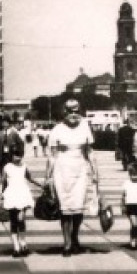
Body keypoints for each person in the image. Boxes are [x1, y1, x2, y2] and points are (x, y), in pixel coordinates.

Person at [44, 99, 100, 256]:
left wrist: (96, 172)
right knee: (65, 208)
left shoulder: (84, 128)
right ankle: (67, 242)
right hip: (62, 171)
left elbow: (89, 152)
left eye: (76, 110)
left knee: (78, 208)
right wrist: (47, 177)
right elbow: (52, 156)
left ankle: (75, 235)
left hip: (81, 170)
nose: (73, 114)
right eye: (70, 110)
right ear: (64, 111)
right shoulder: (57, 130)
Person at [0, 141, 43, 257]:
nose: (17, 157)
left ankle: (23, 242)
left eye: (19, 155)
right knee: (14, 221)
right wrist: (1, 195)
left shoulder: (24, 167)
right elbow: (3, 182)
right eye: (15, 155)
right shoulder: (7, 167)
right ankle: (16, 247)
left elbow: (30, 178)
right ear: (11, 156)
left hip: (22, 194)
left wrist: (41, 185)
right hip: (11, 194)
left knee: (21, 219)